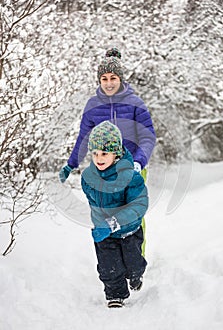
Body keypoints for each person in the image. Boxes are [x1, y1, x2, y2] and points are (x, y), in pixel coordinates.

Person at [59, 47, 156, 255]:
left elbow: (148, 137)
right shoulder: (93, 105)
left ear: (120, 78)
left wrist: (139, 161)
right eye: (104, 78)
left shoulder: (135, 103)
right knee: (108, 212)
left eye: (113, 77)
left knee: (134, 213)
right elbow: (84, 138)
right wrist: (71, 163)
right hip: (104, 169)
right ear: (99, 80)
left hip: (133, 167)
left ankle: (137, 259)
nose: (109, 82)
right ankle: (113, 261)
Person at [81, 121, 148, 308]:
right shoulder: (88, 178)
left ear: (116, 154)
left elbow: (139, 205)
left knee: (133, 266)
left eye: (104, 153)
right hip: (105, 233)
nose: (98, 158)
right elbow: (93, 204)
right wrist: (100, 224)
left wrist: (114, 222)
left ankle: (136, 276)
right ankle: (115, 295)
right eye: (94, 153)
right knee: (108, 268)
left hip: (129, 231)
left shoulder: (131, 177)